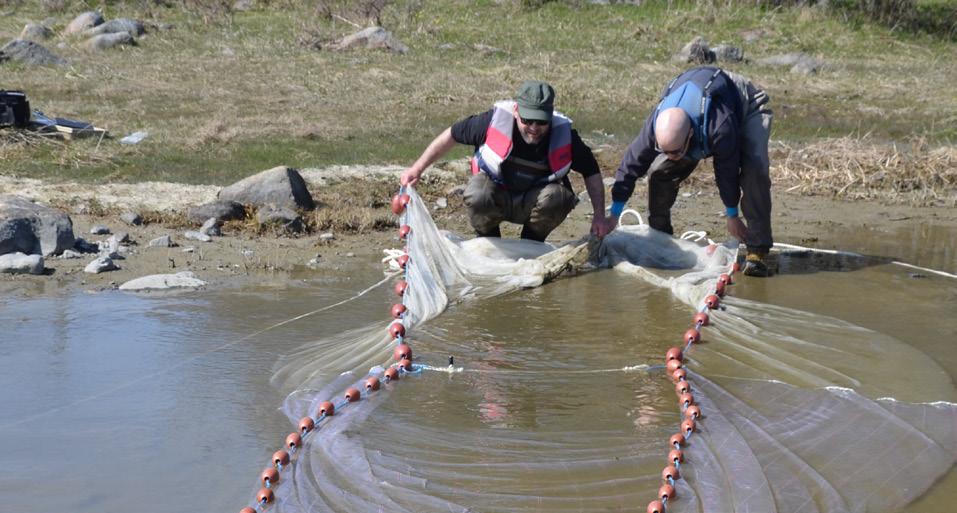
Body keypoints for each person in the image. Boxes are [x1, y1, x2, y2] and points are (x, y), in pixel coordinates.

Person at [605, 66, 774, 276]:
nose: (670, 155)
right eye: (663, 150)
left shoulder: (719, 126)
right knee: (659, 171)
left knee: (754, 171)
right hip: (694, 105)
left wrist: (732, 215)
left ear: (690, 135)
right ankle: (660, 238)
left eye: (675, 152)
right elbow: (629, 166)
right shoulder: (655, 126)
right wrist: (614, 214)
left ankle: (757, 250)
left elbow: (727, 172)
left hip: (744, 104)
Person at [400, 80, 609, 242]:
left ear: (550, 117)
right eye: (527, 120)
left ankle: (531, 243)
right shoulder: (491, 122)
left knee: (560, 197)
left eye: (541, 122)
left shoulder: (566, 136)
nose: (534, 128)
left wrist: (599, 216)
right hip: (495, 196)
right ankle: (488, 240)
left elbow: (591, 171)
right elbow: (452, 135)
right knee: (477, 193)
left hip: (534, 202)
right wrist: (417, 168)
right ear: (516, 111)